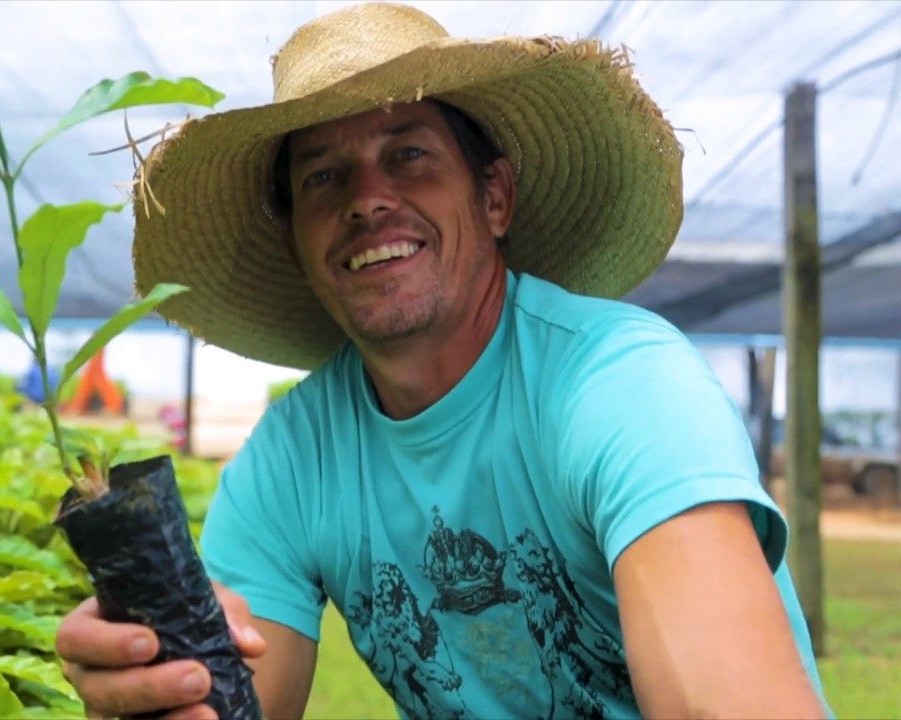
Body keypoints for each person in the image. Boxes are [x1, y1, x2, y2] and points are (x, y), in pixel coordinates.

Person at [56, 3, 829, 718]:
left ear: (495, 198)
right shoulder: (294, 459)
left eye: (410, 155)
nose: (366, 201)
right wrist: (158, 680)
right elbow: (233, 699)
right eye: (324, 177)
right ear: (296, 243)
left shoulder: (620, 386)